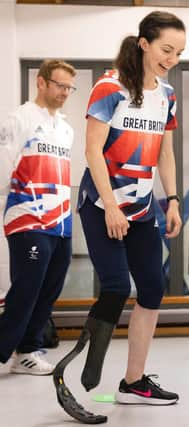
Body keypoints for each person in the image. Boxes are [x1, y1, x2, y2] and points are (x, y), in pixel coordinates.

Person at [53, 11, 186, 424]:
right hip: (101, 205)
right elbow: (93, 152)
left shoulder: (166, 94)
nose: (172, 58)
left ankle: (134, 382)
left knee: (152, 288)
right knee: (115, 287)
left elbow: (164, 152)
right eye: (167, 49)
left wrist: (174, 200)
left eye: (179, 52)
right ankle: (76, 373)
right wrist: (110, 205)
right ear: (144, 44)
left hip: (144, 209)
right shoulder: (109, 87)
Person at [0, 60, 76, 375]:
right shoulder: (20, 119)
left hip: (61, 221)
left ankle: (28, 350)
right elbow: (4, 169)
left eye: (70, 88)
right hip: (27, 217)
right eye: (60, 85)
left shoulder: (67, 128)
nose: (65, 93)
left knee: (50, 288)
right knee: (27, 287)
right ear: (41, 83)